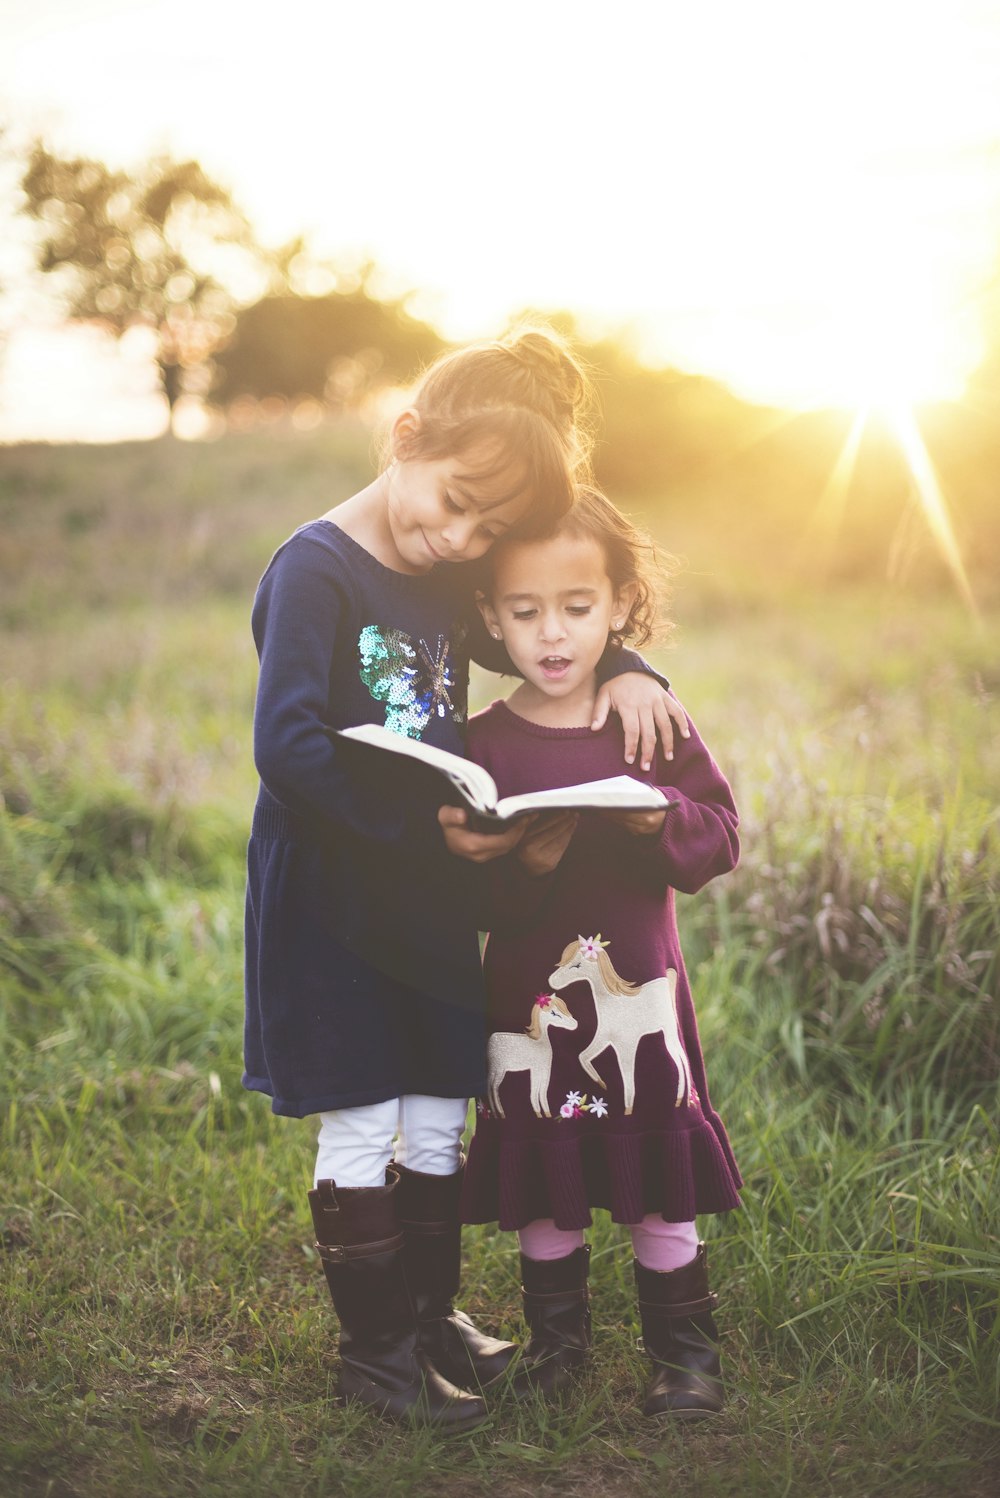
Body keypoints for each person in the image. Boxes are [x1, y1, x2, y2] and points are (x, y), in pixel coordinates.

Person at [242, 328, 688, 1432]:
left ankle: (431, 1319)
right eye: (453, 506)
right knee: (362, 1115)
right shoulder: (315, 567)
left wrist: (627, 662)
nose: (460, 539)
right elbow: (288, 746)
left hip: (431, 895)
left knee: (440, 1109)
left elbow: (534, 634)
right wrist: (419, 830)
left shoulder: (445, 573)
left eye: (487, 530)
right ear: (404, 438)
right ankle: (376, 1356)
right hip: (336, 893)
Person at [457, 486, 742, 1420]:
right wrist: (522, 863)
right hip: (528, 1000)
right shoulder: (481, 746)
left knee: (659, 1181)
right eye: (525, 611)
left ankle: (684, 1356)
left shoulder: (648, 719)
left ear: (619, 607)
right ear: (491, 617)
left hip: (640, 990)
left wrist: (657, 816)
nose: (551, 634)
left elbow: (720, 838)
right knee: (545, 1178)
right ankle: (557, 1348)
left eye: (577, 609)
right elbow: (468, 896)